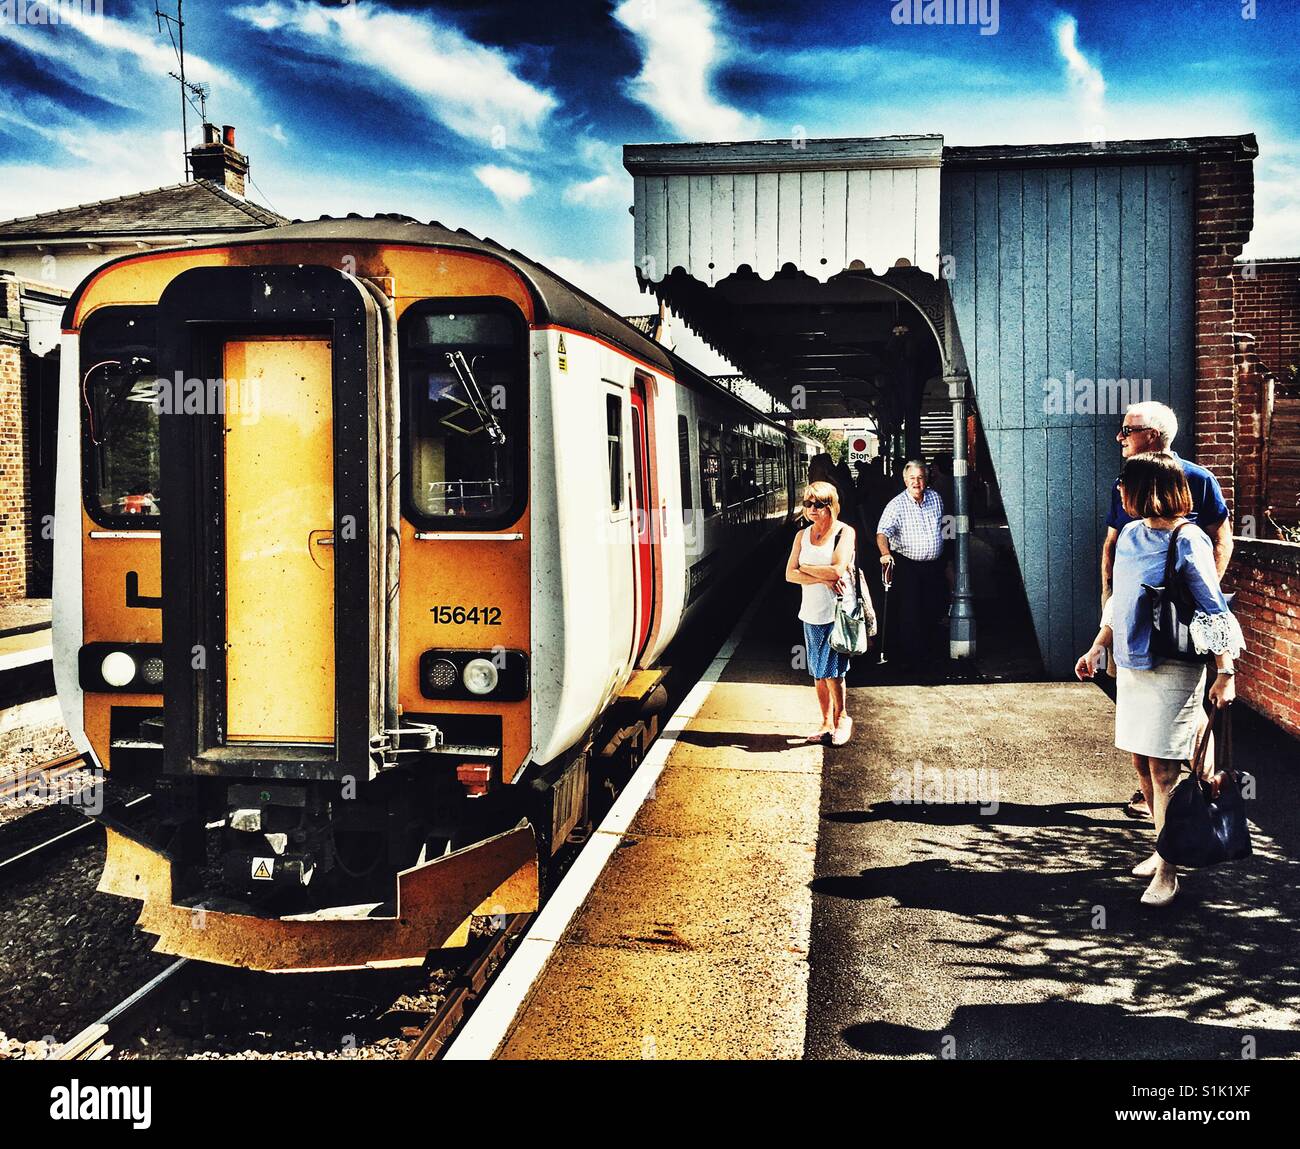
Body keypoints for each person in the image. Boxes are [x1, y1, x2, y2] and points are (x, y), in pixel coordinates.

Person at [1075, 452, 1244, 908]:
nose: (1118, 492)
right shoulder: (1131, 534)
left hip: (1172, 666)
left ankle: (1168, 871)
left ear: (1148, 489)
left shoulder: (1190, 540)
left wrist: (1225, 672)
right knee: (1140, 764)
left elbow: (1214, 609)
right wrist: (1098, 646)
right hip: (1132, 666)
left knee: (1163, 770)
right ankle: (1162, 843)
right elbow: (1121, 600)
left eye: (1124, 485)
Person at [1100, 400, 1232, 819]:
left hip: (1173, 644)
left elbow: (1221, 542)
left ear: (1153, 435)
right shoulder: (1130, 493)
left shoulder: (1196, 480)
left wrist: (1188, 596)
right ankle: (1182, 799)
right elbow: (1114, 552)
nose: (1120, 438)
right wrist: (1109, 622)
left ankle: (1175, 836)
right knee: (1151, 752)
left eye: (1127, 430)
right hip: (1133, 640)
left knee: (1168, 753)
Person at [785, 481, 857, 746]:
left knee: (834, 672)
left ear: (831, 506)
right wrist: (822, 577)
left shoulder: (844, 533)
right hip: (811, 612)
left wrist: (807, 568)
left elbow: (837, 570)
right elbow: (789, 574)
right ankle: (826, 722)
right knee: (817, 672)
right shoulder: (801, 536)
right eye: (808, 504)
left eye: (818, 504)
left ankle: (842, 719)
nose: (812, 509)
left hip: (836, 612)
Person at [876, 460, 949, 673]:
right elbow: (882, 532)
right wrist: (885, 554)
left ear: (926, 479)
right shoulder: (896, 504)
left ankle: (931, 653)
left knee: (933, 607)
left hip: (934, 565)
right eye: (912, 478)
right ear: (905, 480)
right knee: (911, 612)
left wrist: (951, 555)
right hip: (908, 565)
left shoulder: (935, 498)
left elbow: (946, 525)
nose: (916, 482)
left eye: (920, 477)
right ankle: (912, 660)